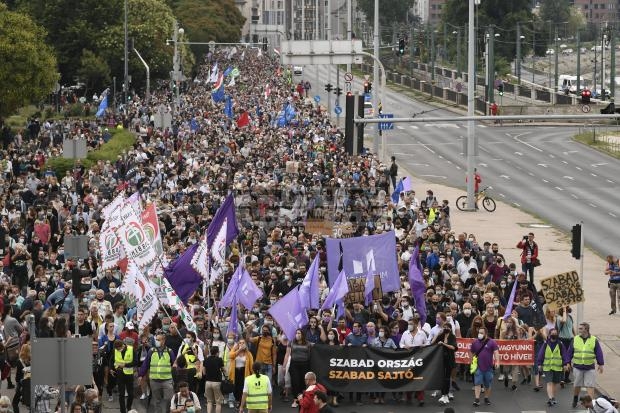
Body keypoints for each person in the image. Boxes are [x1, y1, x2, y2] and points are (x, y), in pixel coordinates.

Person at [568, 322, 605, 408]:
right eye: (579, 328)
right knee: (577, 385)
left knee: (590, 385)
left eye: (581, 328)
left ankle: (591, 404)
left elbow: (599, 352)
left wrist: (601, 364)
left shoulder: (593, 340)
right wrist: (567, 363)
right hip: (578, 367)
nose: (579, 330)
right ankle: (575, 398)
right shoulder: (575, 339)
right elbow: (569, 352)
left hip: (589, 367)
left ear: (586, 329)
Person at [138, 332, 176, 413]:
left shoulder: (170, 351)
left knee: (169, 399)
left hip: (167, 380)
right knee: (156, 401)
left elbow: (175, 365)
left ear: (164, 340)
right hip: (154, 381)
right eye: (156, 339)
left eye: (158, 340)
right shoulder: (151, 351)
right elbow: (145, 364)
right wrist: (141, 375)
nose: (157, 341)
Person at [537, 327, 569, 407]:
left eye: (555, 333)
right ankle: (550, 398)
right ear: (549, 335)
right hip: (548, 367)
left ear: (557, 335)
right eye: (552, 333)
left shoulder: (560, 344)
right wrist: (539, 364)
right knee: (549, 383)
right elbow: (541, 354)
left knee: (555, 383)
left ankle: (553, 397)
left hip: (557, 367)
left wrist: (565, 364)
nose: (554, 334)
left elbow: (564, 355)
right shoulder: (545, 344)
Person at [469, 327, 499, 407]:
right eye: (479, 332)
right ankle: (477, 399)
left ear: (486, 334)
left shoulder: (492, 342)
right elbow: (471, 352)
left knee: (487, 384)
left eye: (482, 333)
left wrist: (497, 361)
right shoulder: (475, 342)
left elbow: (496, 352)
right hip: (478, 367)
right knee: (477, 383)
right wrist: (471, 362)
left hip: (488, 367)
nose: (480, 334)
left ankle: (486, 398)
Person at [283, 329, 311, 408]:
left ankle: (302, 400)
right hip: (294, 364)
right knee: (295, 382)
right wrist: (284, 366)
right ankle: (295, 400)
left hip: (305, 364)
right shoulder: (291, 342)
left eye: (299, 333)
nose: (297, 335)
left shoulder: (308, 344)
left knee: (303, 382)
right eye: (296, 333)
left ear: (302, 335)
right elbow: (287, 354)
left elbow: (310, 354)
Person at [110, 339, 136, 413]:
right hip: (120, 373)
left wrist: (125, 365)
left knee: (131, 394)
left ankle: (129, 407)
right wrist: (111, 369)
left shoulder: (131, 349)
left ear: (123, 345)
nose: (118, 350)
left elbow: (135, 362)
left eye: (119, 348)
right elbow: (111, 360)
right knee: (121, 394)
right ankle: (123, 411)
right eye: (117, 349)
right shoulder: (115, 350)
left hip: (129, 374)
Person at [433, 322, 456, 405]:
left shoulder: (452, 337)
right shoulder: (441, 336)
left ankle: (446, 394)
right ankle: (443, 395)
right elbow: (433, 343)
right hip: (441, 359)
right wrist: (437, 335)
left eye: (447, 327)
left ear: (450, 329)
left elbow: (453, 347)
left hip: (449, 359)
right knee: (442, 377)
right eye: (444, 327)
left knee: (447, 378)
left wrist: (443, 344)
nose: (445, 328)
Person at [228, 338, 254, 409]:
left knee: (242, 388)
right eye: (240, 343)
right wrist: (238, 349)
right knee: (235, 388)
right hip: (235, 372)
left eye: (243, 343)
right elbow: (230, 356)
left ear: (245, 344)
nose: (241, 344)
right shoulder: (235, 351)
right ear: (238, 344)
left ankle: (240, 403)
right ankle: (237, 400)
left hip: (244, 372)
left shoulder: (248, 353)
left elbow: (251, 365)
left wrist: (253, 374)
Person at [203, 346, 224, 413]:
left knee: (209, 401)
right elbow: (224, 370)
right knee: (218, 402)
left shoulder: (206, 359)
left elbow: (204, 372)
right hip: (217, 382)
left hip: (208, 382)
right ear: (217, 352)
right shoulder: (219, 359)